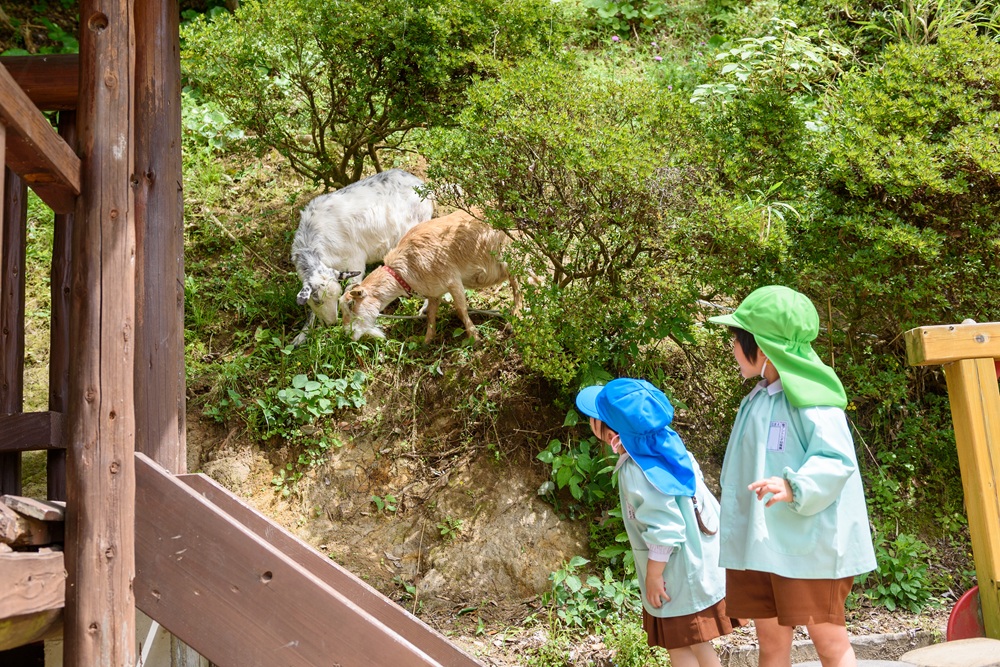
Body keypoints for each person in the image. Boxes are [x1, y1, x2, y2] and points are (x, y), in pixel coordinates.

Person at [707, 285, 877, 667]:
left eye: (738, 339)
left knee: (830, 645)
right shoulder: (757, 399)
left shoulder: (813, 399)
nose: (733, 348)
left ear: (765, 347)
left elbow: (835, 460)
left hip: (808, 548)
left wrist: (793, 485)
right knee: (770, 646)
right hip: (761, 546)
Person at [576, 378, 738, 667]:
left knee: (680, 647)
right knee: (699, 643)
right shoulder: (665, 444)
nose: (591, 420)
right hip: (697, 564)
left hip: (674, 575)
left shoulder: (637, 469)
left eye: (596, 417)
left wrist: (653, 576)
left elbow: (664, 527)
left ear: (612, 431)